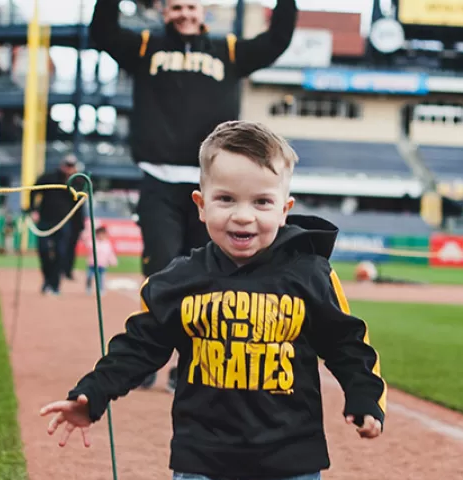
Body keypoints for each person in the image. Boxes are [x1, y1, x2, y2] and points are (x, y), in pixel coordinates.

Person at [40, 120, 387, 480]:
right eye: (225, 199)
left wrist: (364, 398)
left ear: (284, 209)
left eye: (262, 203)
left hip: (288, 462)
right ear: (200, 205)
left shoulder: (310, 275)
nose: (243, 215)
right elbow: (139, 344)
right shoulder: (180, 280)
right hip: (204, 459)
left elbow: (347, 342)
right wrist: (94, 394)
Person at [90, 0, 298, 392]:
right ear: (164, 11)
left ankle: (189, 365)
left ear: (203, 12)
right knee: (162, 273)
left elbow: (277, 40)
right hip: (158, 179)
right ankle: (144, 360)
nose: (184, 13)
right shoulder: (145, 47)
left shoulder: (229, 51)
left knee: (209, 277)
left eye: (190, 6)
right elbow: (102, 33)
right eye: (175, 7)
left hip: (214, 188)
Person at [30, 154, 83, 295]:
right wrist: (32, 210)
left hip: (65, 223)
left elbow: (80, 206)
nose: (68, 168)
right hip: (46, 220)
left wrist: (80, 226)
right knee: (44, 251)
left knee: (61, 253)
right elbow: (33, 190)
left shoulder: (77, 181)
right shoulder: (49, 178)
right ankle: (47, 280)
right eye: (67, 165)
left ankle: (55, 284)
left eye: (72, 166)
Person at [84, 225, 118, 295]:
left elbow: (110, 253)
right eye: (99, 234)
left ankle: (101, 289)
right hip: (92, 264)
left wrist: (113, 261)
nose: (101, 236)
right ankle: (88, 287)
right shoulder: (93, 242)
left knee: (100, 278)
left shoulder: (107, 244)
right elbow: (87, 243)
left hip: (102, 265)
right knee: (89, 276)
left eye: (103, 234)